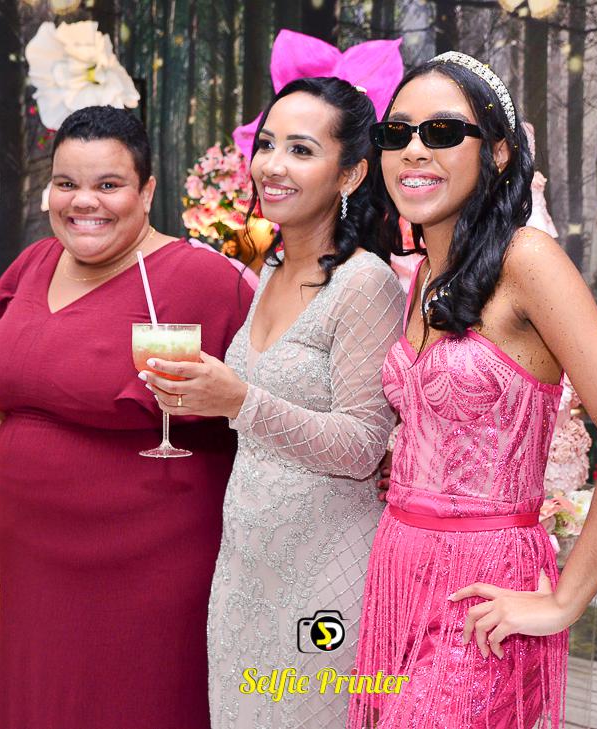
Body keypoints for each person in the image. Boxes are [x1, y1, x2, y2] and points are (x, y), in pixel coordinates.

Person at [349, 53, 597, 729]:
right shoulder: (425, 275)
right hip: (398, 570)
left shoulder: (528, 260)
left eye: (443, 132)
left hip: (485, 587)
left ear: (497, 152)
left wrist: (564, 601)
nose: (414, 149)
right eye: (397, 133)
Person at [0, 106, 253, 729]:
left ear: (146, 192)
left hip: (155, 563)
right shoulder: (31, 265)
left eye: (109, 184)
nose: (84, 202)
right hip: (35, 555)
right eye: (66, 183)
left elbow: (259, 409)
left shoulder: (203, 278)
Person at [141, 77, 405, 728]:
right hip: (245, 565)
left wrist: (240, 400)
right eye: (266, 144)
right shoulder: (273, 271)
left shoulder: (365, 283)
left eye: (301, 149)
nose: (273, 165)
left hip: (325, 577)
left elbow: (362, 445)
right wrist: (205, 396)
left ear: (351, 173)